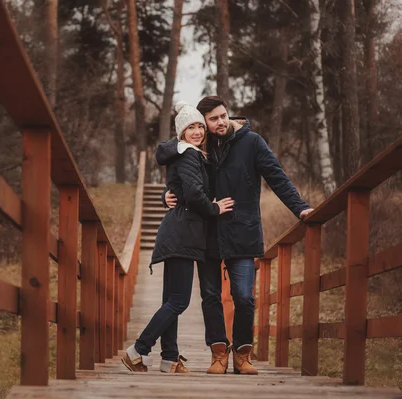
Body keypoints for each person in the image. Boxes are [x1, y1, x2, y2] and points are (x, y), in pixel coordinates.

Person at [163, 96, 314, 375]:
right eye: (213, 119)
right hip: (207, 233)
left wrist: (301, 208)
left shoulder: (252, 142)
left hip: (243, 231)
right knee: (210, 296)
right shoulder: (199, 146)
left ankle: (243, 354)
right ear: (204, 124)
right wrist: (167, 195)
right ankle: (218, 353)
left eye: (223, 116)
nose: (220, 122)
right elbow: (179, 175)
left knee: (244, 297)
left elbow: (276, 177)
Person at [121, 101, 234, 373]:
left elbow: (178, 188)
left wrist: (167, 194)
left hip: (177, 231)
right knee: (179, 301)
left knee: (171, 300)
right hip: (183, 234)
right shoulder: (189, 155)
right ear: (180, 132)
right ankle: (139, 349)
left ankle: (169, 358)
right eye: (190, 127)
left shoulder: (186, 154)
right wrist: (215, 208)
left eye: (199, 126)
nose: (196, 131)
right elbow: (194, 194)